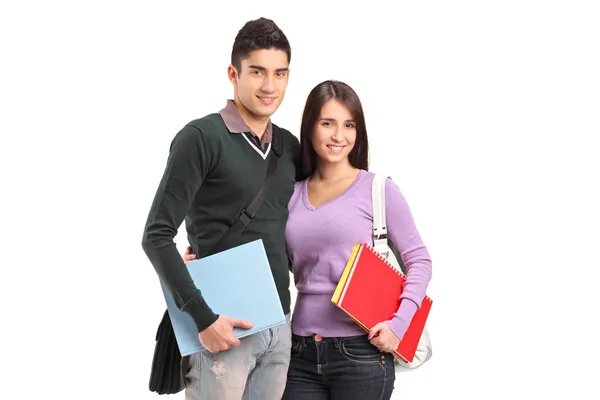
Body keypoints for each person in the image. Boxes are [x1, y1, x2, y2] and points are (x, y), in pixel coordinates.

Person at [185, 80, 433, 399]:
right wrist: (204, 261)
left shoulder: (378, 190)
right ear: (310, 127)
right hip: (299, 351)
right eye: (327, 123)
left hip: (362, 352)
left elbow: (420, 260)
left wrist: (399, 325)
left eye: (349, 125)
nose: (338, 136)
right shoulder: (290, 194)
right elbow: (266, 258)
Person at [141, 17, 299, 400]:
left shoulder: (290, 148)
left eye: (280, 73)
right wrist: (203, 318)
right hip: (221, 330)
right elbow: (156, 236)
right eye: (257, 71)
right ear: (233, 73)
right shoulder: (201, 138)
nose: (269, 85)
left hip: (280, 327)